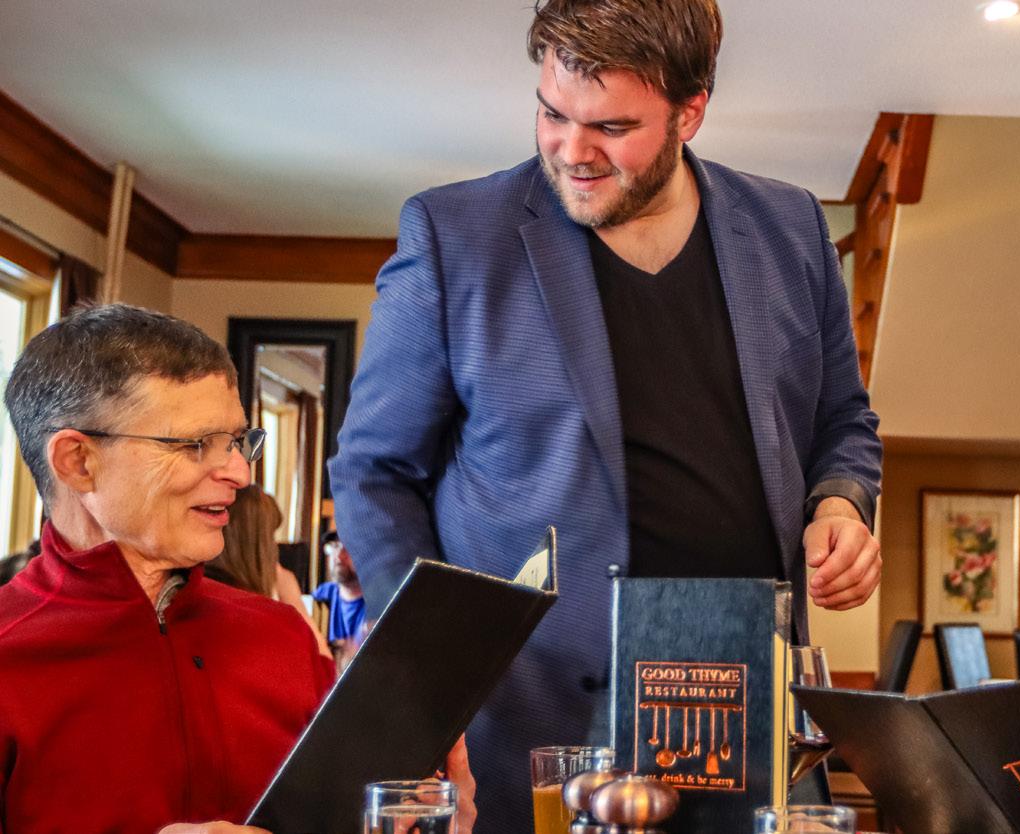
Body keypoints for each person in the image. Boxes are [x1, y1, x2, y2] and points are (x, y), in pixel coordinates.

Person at [329, 0, 882, 827]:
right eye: (553, 114)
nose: (572, 150)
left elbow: (843, 418)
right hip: (536, 721)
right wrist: (430, 676)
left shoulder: (792, 228)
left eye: (612, 128)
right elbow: (375, 472)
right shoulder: (455, 235)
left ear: (690, 113)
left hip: (749, 712)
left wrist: (840, 503)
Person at [0, 304, 474, 833]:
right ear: (79, 461)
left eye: (236, 442)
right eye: (196, 444)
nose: (240, 474)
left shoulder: (283, 636)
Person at [206, 484, 331, 658]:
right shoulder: (246, 614)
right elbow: (323, 669)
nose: (275, 548)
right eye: (271, 537)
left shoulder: (200, 591)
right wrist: (294, 601)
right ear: (257, 544)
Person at [313, 529, 366, 653]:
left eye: (349, 546)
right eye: (335, 546)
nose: (339, 555)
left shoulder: (382, 602)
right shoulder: (322, 595)